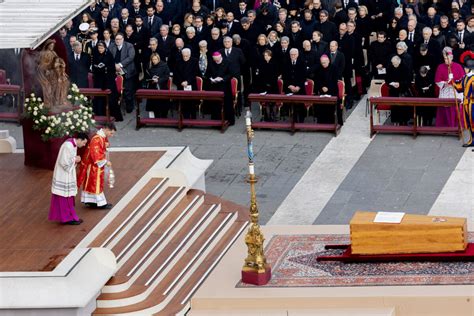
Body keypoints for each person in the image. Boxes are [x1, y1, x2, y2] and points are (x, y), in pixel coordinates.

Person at [49, 133, 89, 225]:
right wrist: (75, 159)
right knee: (64, 197)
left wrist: (74, 159)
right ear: (79, 139)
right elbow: (64, 162)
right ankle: (67, 218)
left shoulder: (72, 144)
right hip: (63, 175)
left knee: (68, 197)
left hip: (67, 174)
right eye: (84, 142)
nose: (84, 145)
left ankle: (70, 216)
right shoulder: (68, 146)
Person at [78, 123, 117, 209]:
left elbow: (103, 145)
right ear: (106, 129)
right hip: (93, 165)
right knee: (95, 183)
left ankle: (91, 201)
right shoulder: (96, 139)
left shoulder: (101, 137)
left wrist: (106, 144)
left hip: (94, 165)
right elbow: (96, 154)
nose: (112, 135)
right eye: (111, 133)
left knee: (91, 183)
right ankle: (100, 203)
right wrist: (105, 161)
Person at [435, 47, 464, 127]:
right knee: (445, 110)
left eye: (448, 59)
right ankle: (444, 127)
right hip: (445, 92)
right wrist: (445, 83)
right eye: (445, 59)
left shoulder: (458, 66)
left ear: (452, 57)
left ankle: (456, 127)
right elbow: (437, 81)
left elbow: (462, 80)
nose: (446, 61)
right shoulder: (440, 67)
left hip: (455, 92)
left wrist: (454, 83)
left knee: (455, 109)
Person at [452, 57, 474, 147]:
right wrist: (452, 81)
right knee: (469, 122)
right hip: (466, 103)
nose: (464, 69)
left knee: (473, 122)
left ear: (470, 68)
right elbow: (460, 87)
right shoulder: (465, 77)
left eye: (465, 68)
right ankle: (472, 140)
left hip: (472, 104)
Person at [144, 53, 171, 118]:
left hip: (162, 86)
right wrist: (152, 79)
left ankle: (164, 116)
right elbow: (146, 76)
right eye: (153, 59)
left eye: (155, 59)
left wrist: (159, 80)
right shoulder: (149, 65)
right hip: (152, 86)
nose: (154, 61)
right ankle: (155, 116)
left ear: (158, 59)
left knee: (163, 102)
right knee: (153, 102)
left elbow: (167, 75)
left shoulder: (164, 65)